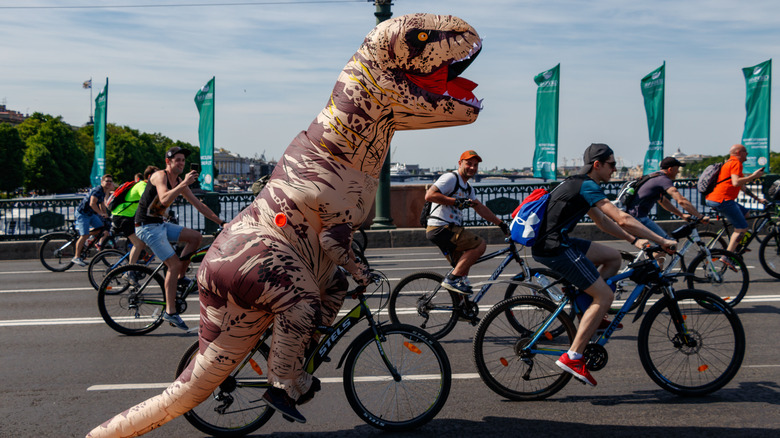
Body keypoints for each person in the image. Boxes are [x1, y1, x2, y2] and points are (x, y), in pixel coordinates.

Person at [531, 143, 676, 387]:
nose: (615, 169)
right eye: (612, 165)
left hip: (557, 241)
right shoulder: (587, 185)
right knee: (605, 296)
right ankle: (574, 356)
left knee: (613, 258)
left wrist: (634, 240)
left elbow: (603, 223)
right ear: (597, 165)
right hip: (553, 248)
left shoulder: (581, 184)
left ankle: (590, 311)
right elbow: (622, 217)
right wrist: (660, 239)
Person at [134, 147, 225, 331]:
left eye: (183, 160)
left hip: (159, 224)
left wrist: (221, 222)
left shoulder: (178, 182)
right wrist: (183, 184)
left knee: (196, 237)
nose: (181, 163)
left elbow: (199, 206)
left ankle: (180, 278)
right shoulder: (160, 176)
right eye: (177, 160)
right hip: (146, 226)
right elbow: (164, 198)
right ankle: (170, 311)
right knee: (173, 265)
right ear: (168, 162)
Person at [425, 150, 509, 294]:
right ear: (460, 163)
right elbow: (430, 195)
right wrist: (456, 202)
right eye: (468, 163)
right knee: (480, 244)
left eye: (475, 165)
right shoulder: (451, 178)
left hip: (447, 229)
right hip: (442, 228)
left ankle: (463, 311)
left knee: (461, 276)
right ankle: (451, 279)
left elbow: (480, 208)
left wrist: (501, 223)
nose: (472, 167)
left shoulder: (467, 188)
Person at [705, 144, 766, 263]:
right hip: (722, 200)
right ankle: (726, 256)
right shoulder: (735, 163)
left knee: (746, 213)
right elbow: (736, 182)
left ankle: (736, 244)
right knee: (742, 227)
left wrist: (757, 199)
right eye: (745, 151)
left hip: (717, 199)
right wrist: (753, 176)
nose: (747, 154)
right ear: (738, 152)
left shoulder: (729, 163)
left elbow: (742, 187)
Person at [627, 156, 709, 239]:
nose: (678, 171)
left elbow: (663, 201)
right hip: (638, 218)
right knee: (667, 244)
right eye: (677, 169)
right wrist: (700, 216)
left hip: (631, 215)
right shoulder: (663, 179)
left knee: (659, 246)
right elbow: (681, 201)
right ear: (670, 169)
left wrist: (681, 215)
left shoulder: (654, 176)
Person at [110, 166, 158, 267]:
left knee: (143, 239)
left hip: (129, 217)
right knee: (139, 244)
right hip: (122, 217)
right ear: (149, 177)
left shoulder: (145, 185)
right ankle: (129, 271)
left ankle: (137, 257)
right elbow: (147, 201)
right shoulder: (142, 185)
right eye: (157, 175)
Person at [72, 174, 114, 266]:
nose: (109, 183)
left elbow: (102, 204)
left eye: (110, 181)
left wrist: (106, 214)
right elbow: (92, 203)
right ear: (102, 182)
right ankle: (76, 257)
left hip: (91, 214)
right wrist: (100, 213)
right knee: (84, 235)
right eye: (107, 181)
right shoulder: (97, 190)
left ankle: (88, 239)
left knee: (101, 228)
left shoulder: (104, 191)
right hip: (83, 214)